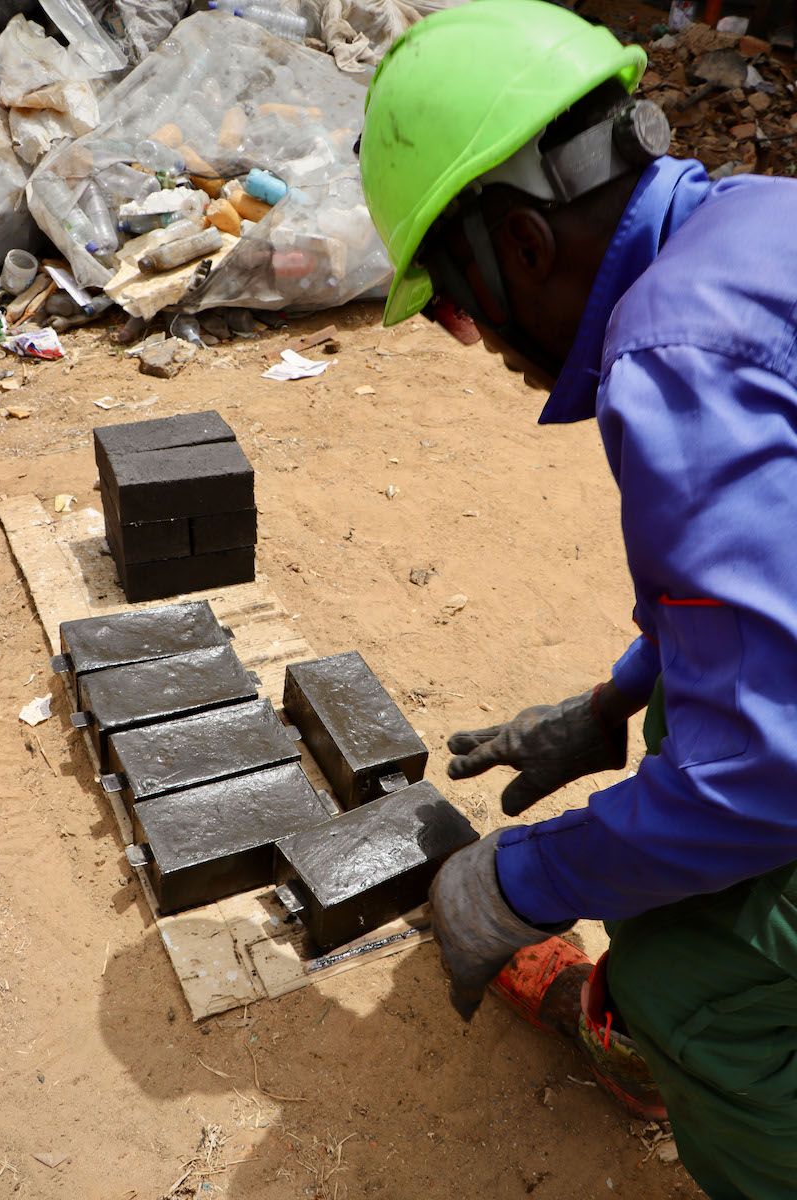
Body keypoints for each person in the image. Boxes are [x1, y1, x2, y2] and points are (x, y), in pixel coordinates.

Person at [358, 2, 797, 1197]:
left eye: (452, 311)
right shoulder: (760, 223)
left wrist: (513, 884)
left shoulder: (673, 359)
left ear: (526, 245)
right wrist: (616, 697)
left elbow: (761, 775)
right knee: (682, 739)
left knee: (683, 975)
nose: (482, 347)